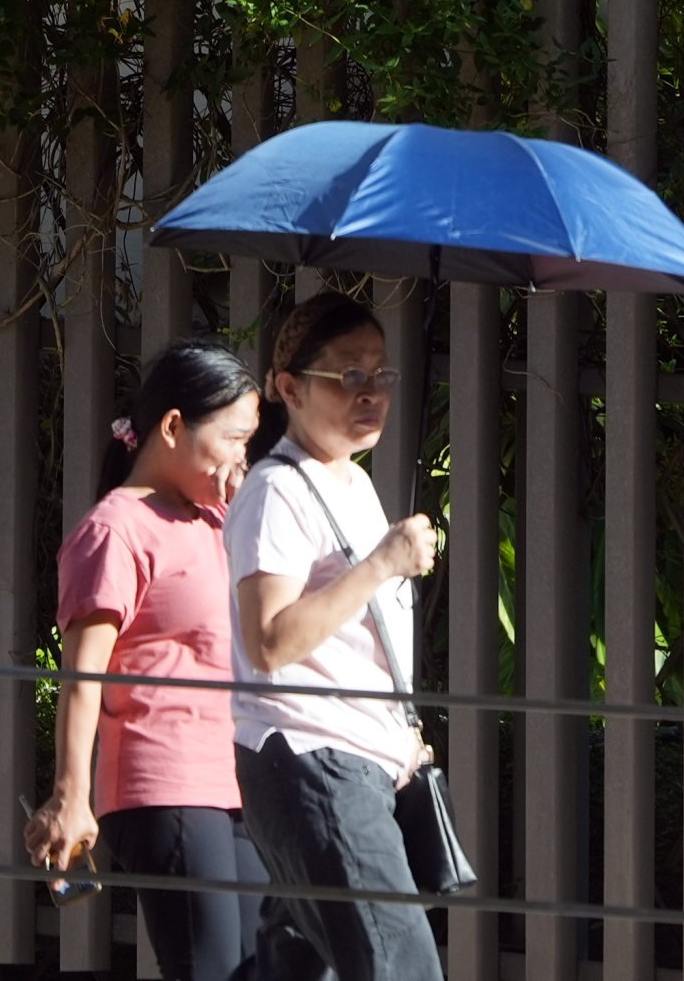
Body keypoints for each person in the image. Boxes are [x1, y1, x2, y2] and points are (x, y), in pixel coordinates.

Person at [26, 341, 269, 981]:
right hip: (166, 782)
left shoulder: (215, 520)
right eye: (235, 438)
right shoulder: (115, 530)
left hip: (235, 781)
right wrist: (70, 795)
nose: (244, 456)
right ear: (171, 428)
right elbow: (82, 678)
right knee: (210, 969)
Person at [229, 289, 448, 981]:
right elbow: (269, 641)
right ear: (289, 388)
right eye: (348, 375)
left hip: (359, 760)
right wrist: (384, 562)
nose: (371, 393)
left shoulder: (350, 482)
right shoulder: (276, 491)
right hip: (313, 758)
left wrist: (396, 729)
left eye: (381, 374)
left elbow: (354, 637)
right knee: (399, 967)